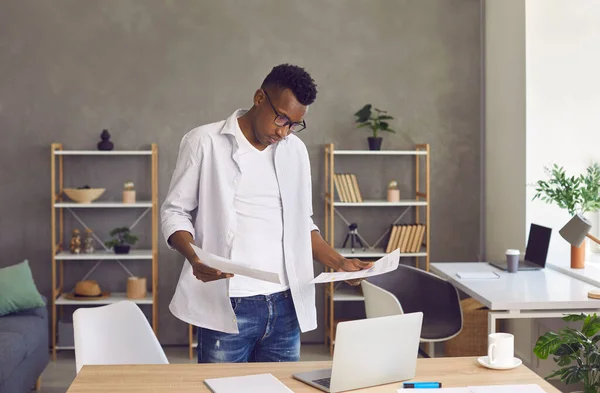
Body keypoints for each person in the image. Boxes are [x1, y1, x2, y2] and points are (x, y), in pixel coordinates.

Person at [161, 63, 373, 363]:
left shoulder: (295, 151)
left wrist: (339, 262)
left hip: (287, 304)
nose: (283, 131)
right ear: (259, 98)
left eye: (294, 124)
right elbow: (175, 212)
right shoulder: (204, 142)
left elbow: (302, 226)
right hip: (230, 302)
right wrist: (195, 258)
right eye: (281, 118)